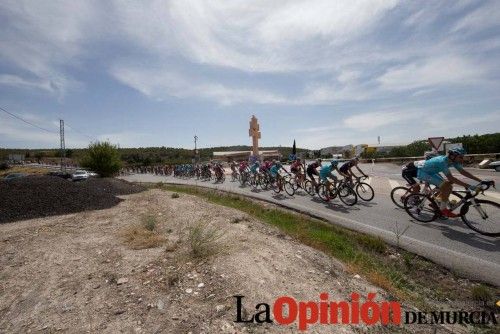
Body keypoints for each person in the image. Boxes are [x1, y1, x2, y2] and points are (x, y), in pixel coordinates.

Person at [417, 148, 487, 218]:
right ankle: (443, 209)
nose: (462, 159)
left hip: (432, 173)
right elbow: (451, 178)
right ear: (453, 156)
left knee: (448, 184)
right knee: (448, 187)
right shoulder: (442, 162)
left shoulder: (453, 161)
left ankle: (439, 200)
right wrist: (470, 186)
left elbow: (463, 172)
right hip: (424, 173)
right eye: (460, 157)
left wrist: (480, 181)